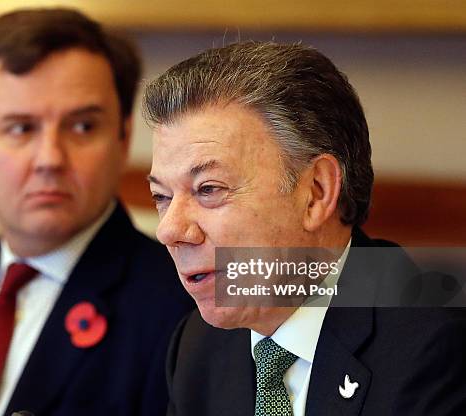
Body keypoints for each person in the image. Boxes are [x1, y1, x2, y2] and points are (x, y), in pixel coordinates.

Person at [143, 41, 466, 415]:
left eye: (209, 189)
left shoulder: (436, 350)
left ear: (316, 193)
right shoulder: (199, 348)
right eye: (161, 196)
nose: (169, 230)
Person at [0, 8, 192, 416]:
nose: (50, 159)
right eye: (21, 128)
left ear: (124, 138)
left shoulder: (177, 308)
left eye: (82, 127)